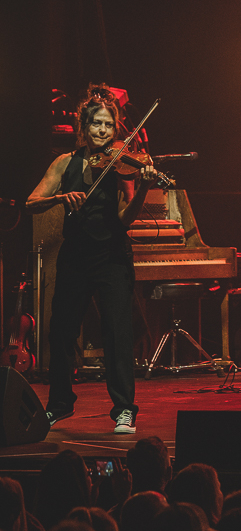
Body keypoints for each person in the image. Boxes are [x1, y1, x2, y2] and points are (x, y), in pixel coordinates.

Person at [25, 89, 162, 432]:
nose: (103, 131)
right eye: (96, 124)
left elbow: (125, 218)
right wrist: (60, 196)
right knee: (60, 331)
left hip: (112, 256)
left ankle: (124, 409)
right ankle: (59, 404)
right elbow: (31, 202)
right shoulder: (64, 163)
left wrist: (143, 187)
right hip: (75, 257)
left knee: (117, 331)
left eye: (109, 125)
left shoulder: (121, 165)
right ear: (82, 128)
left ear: (116, 128)